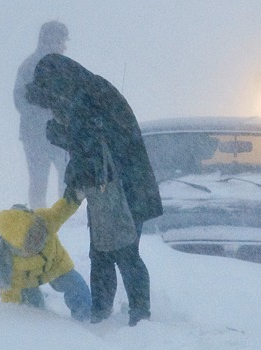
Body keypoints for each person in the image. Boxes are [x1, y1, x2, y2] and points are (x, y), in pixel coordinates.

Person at [25, 53, 163, 326]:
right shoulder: (86, 90)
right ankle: (101, 315)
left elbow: (92, 147)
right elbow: (92, 144)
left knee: (123, 253)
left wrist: (64, 139)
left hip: (123, 189)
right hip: (112, 189)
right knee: (102, 253)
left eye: (51, 98)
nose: (52, 108)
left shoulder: (87, 96)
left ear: (57, 83)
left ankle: (139, 319)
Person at [0, 192, 91, 322]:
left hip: (57, 265)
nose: (38, 241)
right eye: (30, 242)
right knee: (34, 312)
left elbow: (62, 210)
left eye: (37, 233)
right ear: (18, 247)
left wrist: (75, 196)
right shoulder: (7, 258)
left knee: (78, 289)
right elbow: (9, 292)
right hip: (28, 283)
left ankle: (86, 322)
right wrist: (11, 311)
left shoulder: (44, 220)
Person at [14, 21, 69, 208]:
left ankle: (55, 218)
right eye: (60, 40)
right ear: (50, 39)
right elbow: (20, 99)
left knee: (62, 178)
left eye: (63, 40)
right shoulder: (30, 66)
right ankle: (46, 218)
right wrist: (43, 111)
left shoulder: (64, 67)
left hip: (55, 134)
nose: (63, 45)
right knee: (44, 180)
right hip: (39, 136)